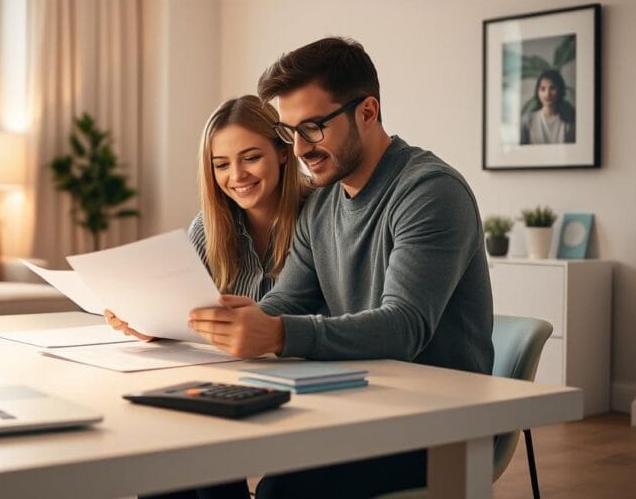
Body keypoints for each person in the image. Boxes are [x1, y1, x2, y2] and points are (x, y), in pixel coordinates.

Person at [152, 37, 494, 499]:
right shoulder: (323, 203)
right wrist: (217, 322)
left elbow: (405, 325)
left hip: (434, 424)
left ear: (367, 112)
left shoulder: (429, 192)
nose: (299, 149)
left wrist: (275, 334)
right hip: (357, 404)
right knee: (181, 466)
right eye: (290, 132)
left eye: (313, 128)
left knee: (280, 492)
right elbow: (284, 302)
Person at [106, 94, 310, 341]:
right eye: (222, 165)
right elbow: (188, 316)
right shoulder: (207, 228)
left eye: (251, 158)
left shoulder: (319, 216)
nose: (237, 175)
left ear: (283, 153)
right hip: (228, 370)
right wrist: (153, 327)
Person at [520, 69, 576, 145]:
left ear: (560, 90)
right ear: (537, 91)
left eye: (552, 88)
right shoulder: (527, 121)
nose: (547, 94)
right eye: (543, 89)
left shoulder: (570, 120)